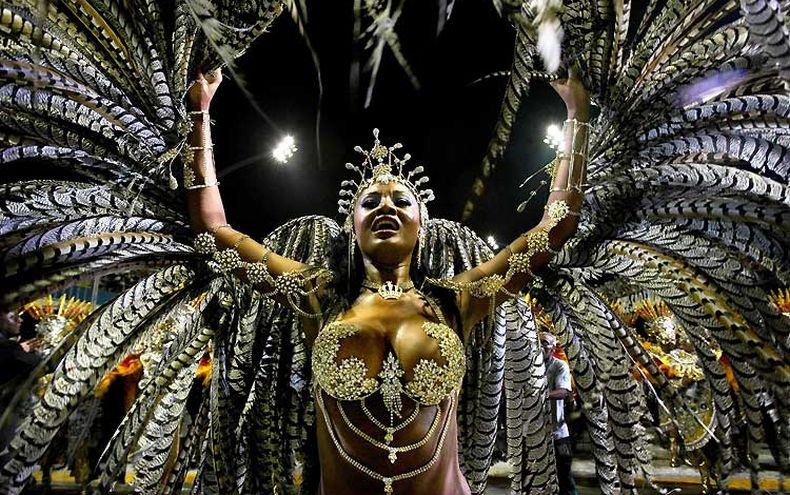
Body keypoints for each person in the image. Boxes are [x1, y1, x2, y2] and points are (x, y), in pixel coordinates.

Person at [181, 65, 590, 494]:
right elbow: (213, 233)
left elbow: (553, 229)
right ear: (351, 226)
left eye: (401, 201)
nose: (386, 207)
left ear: (422, 223)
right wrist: (200, 108)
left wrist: (576, 109)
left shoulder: (457, 301)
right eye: (370, 201)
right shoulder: (317, 297)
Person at [0, 306, 41, 469]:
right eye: (13, 317)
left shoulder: (9, 346)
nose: (20, 320)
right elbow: (36, 363)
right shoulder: (8, 349)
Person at [541, 332, 578, 495]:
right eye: (538, 342)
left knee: (564, 476)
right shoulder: (530, 367)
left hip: (558, 434)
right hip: (536, 433)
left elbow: (563, 392)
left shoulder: (559, 366)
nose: (541, 347)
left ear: (554, 347)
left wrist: (541, 395)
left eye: (545, 343)